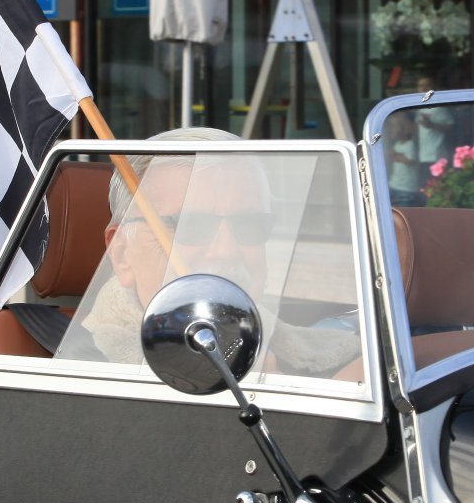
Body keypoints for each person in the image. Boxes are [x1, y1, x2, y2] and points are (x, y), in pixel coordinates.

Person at [72, 128, 358, 374]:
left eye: (250, 225)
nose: (226, 251)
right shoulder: (80, 373)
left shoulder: (341, 362)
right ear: (122, 255)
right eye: (190, 225)